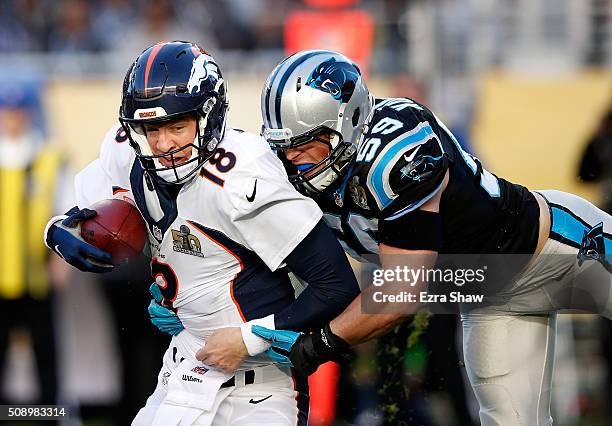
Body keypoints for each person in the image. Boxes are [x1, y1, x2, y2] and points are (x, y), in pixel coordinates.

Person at [242, 50, 611, 426]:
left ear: (347, 120)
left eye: (307, 142)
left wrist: (323, 341)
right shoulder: (287, 169)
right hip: (488, 296)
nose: (293, 158)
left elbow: (401, 291)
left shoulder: (398, 147)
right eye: (284, 145)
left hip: (556, 250)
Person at [43, 41, 359, 425]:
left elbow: (336, 284)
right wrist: (57, 231)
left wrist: (249, 339)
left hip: (259, 386)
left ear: (209, 115)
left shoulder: (244, 174)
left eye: (176, 126)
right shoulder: (130, 150)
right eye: (150, 129)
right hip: (184, 370)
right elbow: (87, 214)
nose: (163, 144)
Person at [0, 83, 73, 409]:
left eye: (18, 110)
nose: (12, 118)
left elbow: (66, 211)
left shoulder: (49, 155)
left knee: (46, 352)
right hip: (1, 274)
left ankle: (48, 414)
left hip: (37, 273)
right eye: (7, 110)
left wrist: (60, 261)